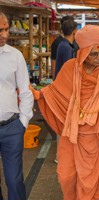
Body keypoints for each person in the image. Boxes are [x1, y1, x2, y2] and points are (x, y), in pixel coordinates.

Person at [31, 25, 99, 200]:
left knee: (93, 181)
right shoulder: (70, 68)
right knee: (66, 175)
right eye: (93, 54)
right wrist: (36, 95)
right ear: (83, 54)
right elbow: (54, 92)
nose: (98, 58)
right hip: (72, 134)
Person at [0, 12, 34, 200]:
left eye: (6, 29)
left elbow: (25, 90)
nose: (4, 34)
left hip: (12, 127)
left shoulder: (15, 56)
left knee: (14, 180)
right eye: (0, 30)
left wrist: (24, 121)